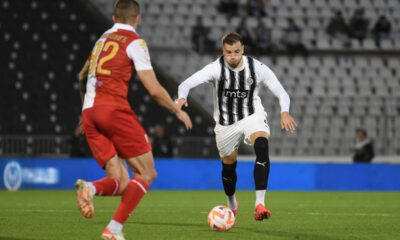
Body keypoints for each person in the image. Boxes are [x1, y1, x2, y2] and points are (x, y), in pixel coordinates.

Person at [75, 1, 192, 239]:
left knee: (121, 181)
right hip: (113, 110)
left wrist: (85, 109)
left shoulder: (101, 39)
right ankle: (113, 229)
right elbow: (154, 90)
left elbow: (81, 75)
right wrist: (176, 110)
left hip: (90, 113)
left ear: (114, 17)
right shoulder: (135, 42)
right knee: (147, 173)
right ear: (137, 18)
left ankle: (90, 187)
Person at [176, 32, 297, 223]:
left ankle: (260, 204)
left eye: (236, 52)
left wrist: (285, 111)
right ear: (223, 51)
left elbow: (281, 92)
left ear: (243, 50)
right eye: (228, 52)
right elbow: (186, 83)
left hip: (252, 115)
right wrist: (182, 96)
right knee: (228, 166)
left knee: (262, 146)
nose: (232, 56)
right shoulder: (215, 69)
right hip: (226, 124)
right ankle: (232, 203)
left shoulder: (257, 68)